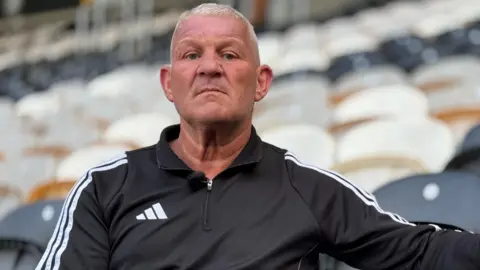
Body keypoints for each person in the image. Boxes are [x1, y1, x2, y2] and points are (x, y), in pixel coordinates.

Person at [35, 3, 480, 270]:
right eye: (192, 55)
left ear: (262, 82)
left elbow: (420, 252)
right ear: (169, 83)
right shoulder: (104, 188)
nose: (210, 67)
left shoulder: (308, 188)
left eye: (229, 54)